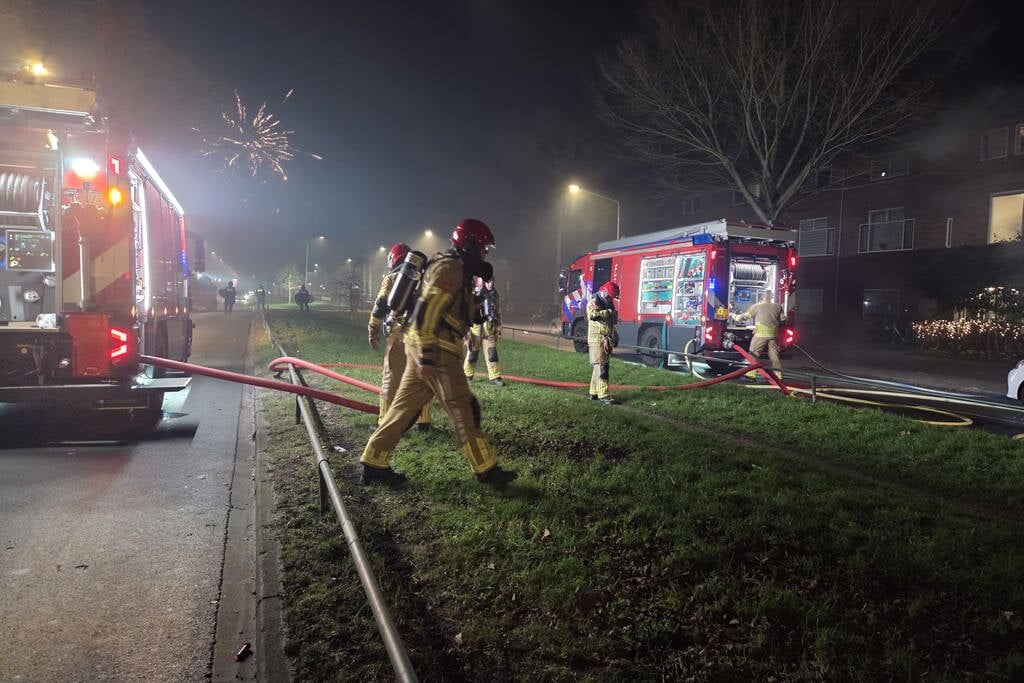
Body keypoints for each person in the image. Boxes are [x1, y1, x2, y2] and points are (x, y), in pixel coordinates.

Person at [359, 218, 517, 488]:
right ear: (469, 245)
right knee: (463, 407)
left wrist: (475, 309)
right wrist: (428, 358)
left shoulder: (456, 268)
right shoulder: (450, 268)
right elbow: (427, 311)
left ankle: (373, 462)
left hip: (423, 345)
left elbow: (451, 309)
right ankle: (486, 469)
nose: (484, 254)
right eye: (482, 249)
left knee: (402, 410)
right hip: (437, 350)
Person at [368, 243, 432, 431]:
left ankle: (384, 422)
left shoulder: (392, 278)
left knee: (391, 378)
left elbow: (380, 305)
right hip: (422, 336)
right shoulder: (424, 280)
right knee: (421, 378)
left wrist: (373, 328)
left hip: (398, 334)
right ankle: (423, 422)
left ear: (394, 258)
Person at [463, 276, 503, 386]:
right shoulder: (475, 293)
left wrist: (499, 329)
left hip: (489, 329)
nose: (491, 284)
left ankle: (495, 376)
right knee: (472, 354)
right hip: (475, 329)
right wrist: (466, 331)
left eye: (492, 281)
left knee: (492, 354)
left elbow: (498, 312)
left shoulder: (494, 295)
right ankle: (467, 375)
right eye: (489, 281)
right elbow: (467, 311)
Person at [738, 290, 785, 378]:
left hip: (760, 334)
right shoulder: (778, 307)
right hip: (773, 335)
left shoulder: (756, 307)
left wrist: (734, 316)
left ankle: (751, 373)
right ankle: (778, 374)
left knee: (753, 352)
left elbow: (744, 317)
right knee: (774, 355)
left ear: (762, 297)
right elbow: (783, 320)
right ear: (772, 297)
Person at [588, 281, 619, 405]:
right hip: (597, 340)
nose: (611, 299)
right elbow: (593, 316)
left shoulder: (608, 304)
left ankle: (594, 392)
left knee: (598, 367)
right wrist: (608, 312)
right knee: (602, 368)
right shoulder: (593, 303)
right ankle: (604, 395)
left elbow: (611, 323)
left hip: (604, 340)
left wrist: (614, 334)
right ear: (604, 291)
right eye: (610, 296)